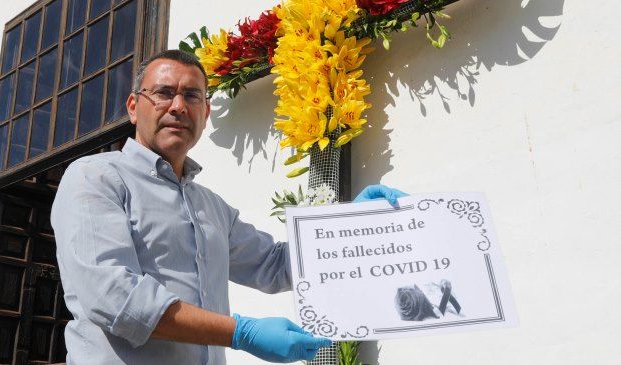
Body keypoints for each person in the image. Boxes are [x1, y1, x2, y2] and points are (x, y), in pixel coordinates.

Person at [51, 49, 406, 365]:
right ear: (133, 107)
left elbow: (274, 265)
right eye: (163, 93)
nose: (178, 106)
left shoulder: (211, 207)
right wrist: (241, 332)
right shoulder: (95, 178)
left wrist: (349, 226)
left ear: (205, 113)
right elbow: (114, 298)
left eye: (192, 95)